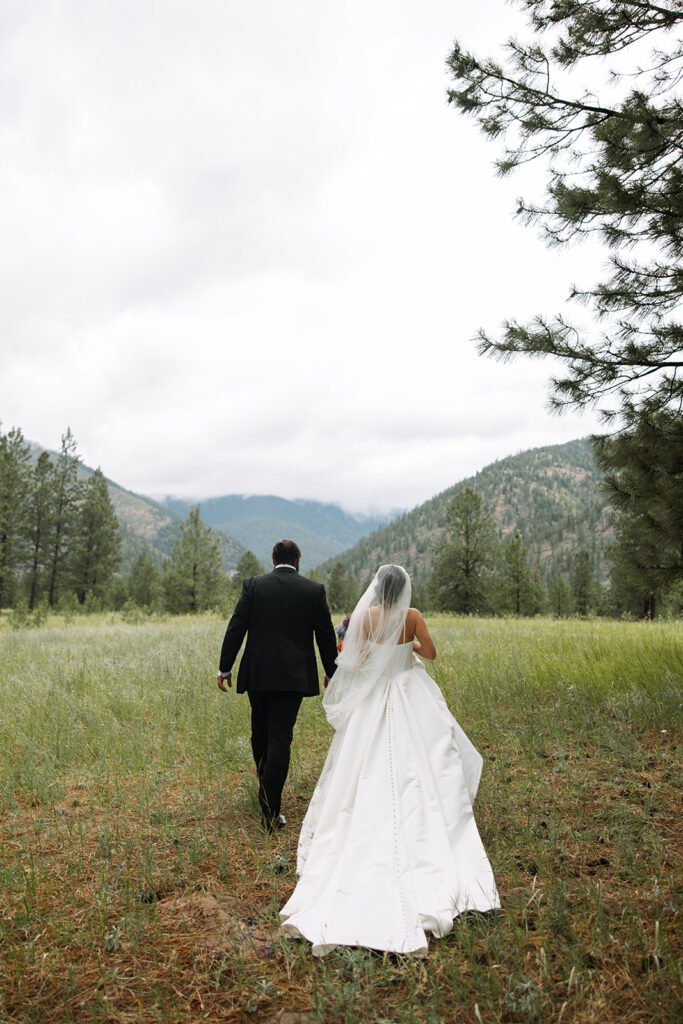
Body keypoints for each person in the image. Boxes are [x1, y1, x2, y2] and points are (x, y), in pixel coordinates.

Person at [280, 564, 500, 955]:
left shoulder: (364, 617)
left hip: (375, 696)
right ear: (404, 591)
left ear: (377, 588)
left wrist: (376, 654)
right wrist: (408, 646)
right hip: (409, 689)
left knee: (361, 762)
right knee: (426, 759)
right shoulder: (412, 617)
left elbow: (356, 658)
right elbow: (430, 653)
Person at [217, 539, 338, 832]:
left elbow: (237, 626)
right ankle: (270, 810)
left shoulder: (253, 585)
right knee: (280, 737)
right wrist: (333, 673)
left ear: (273, 559)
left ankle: (267, 795)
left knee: (259, 733)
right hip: (293, 676)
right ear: (298, 560)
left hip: (257, 672)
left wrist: (225, 667)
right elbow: (325, 635)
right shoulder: (313, 590)